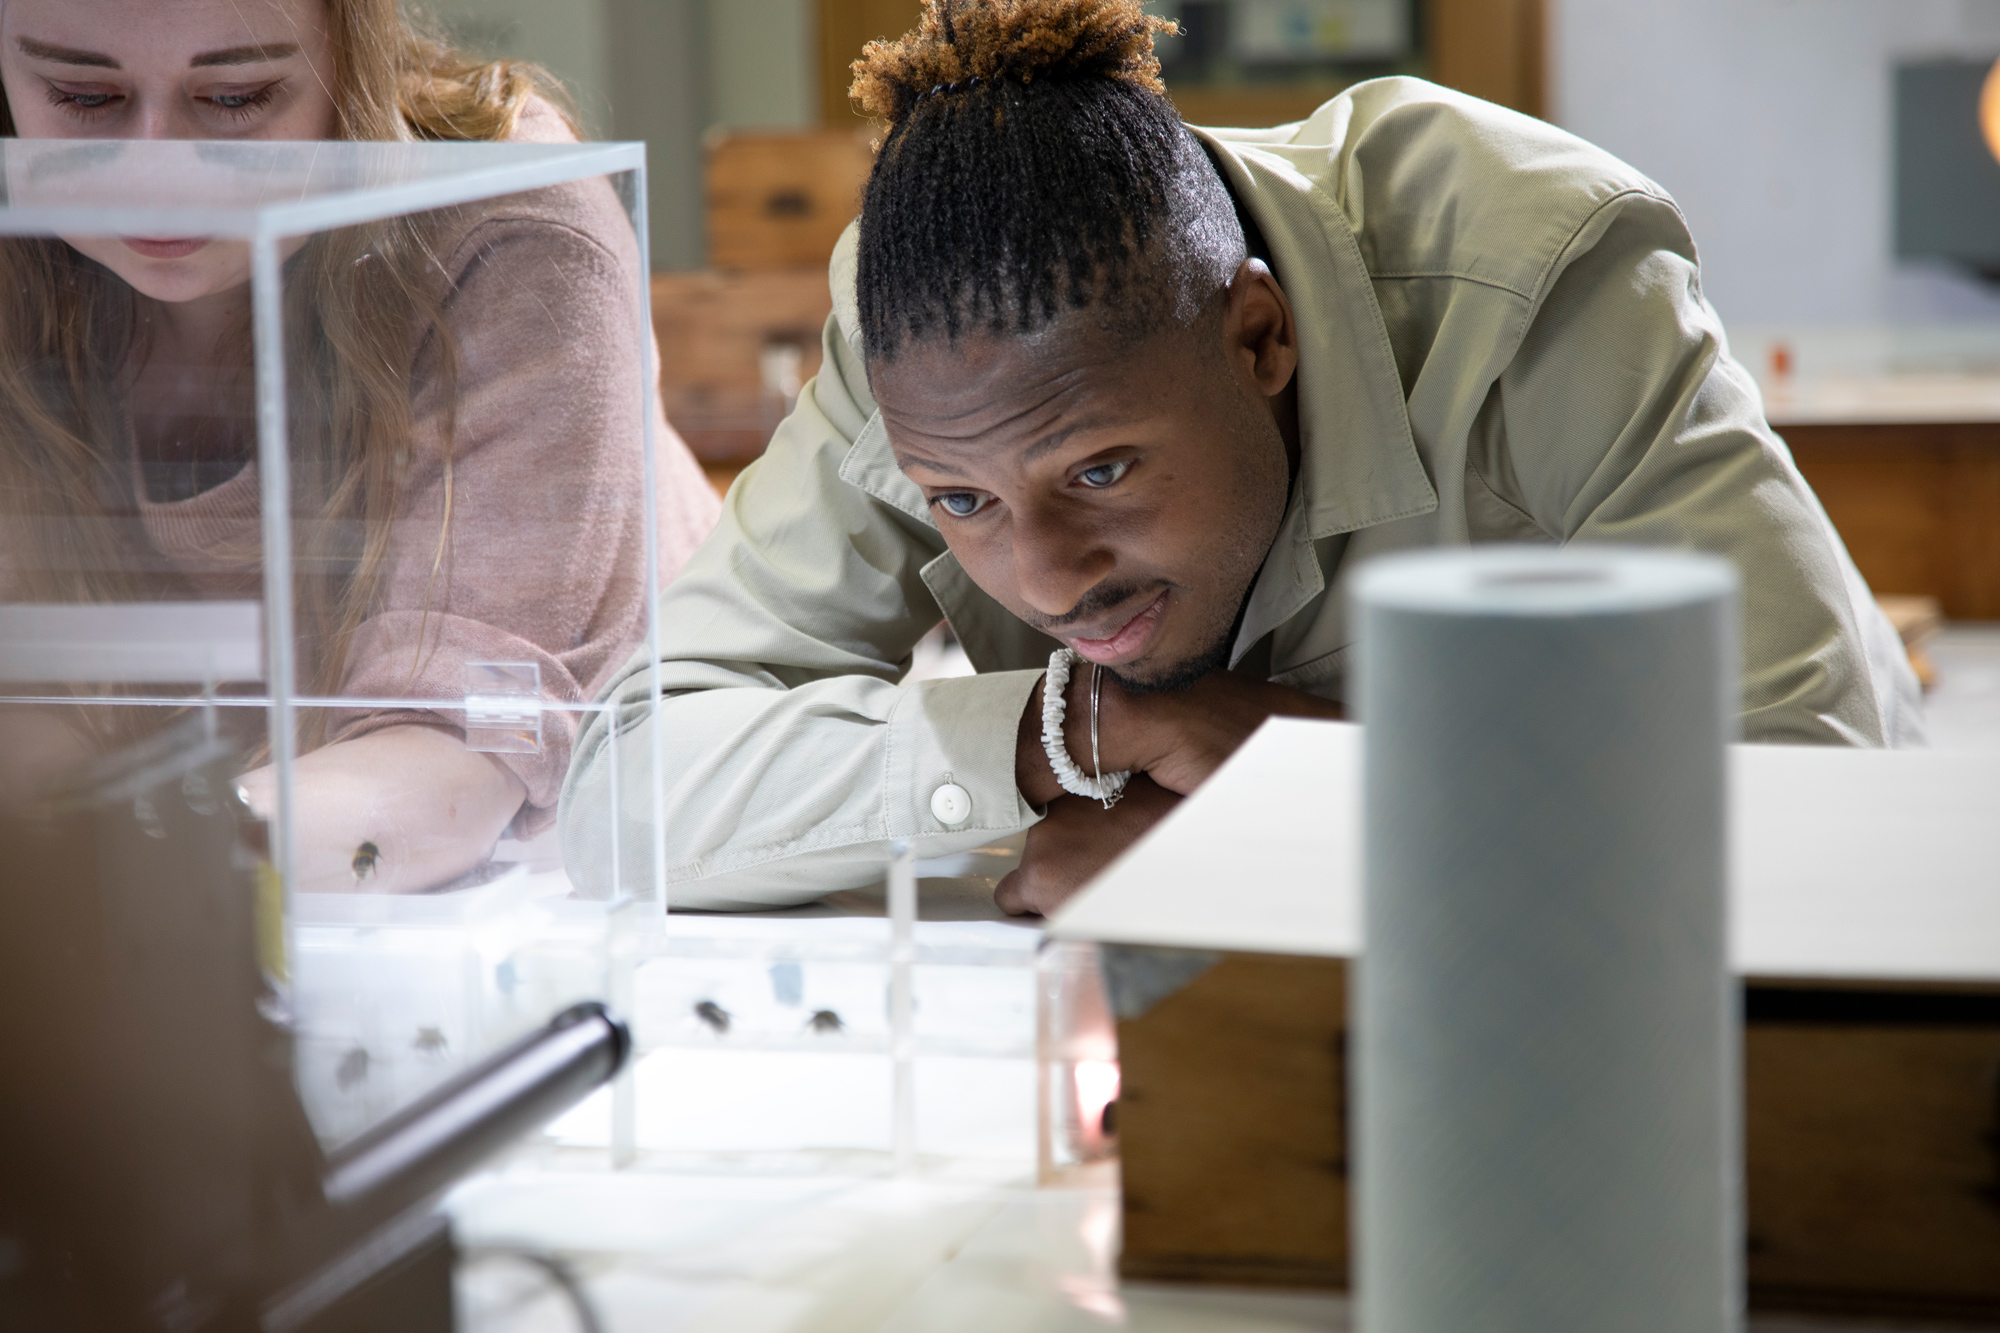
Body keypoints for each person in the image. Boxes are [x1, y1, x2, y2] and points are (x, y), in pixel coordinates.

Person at [563, 0, 1921, 915]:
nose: (1044, 579)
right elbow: (625, 786)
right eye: (962, 503)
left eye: (1101, 470)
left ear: (1260, 335)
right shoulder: (928, 341)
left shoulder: (1538, 281)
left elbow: (1819, 813)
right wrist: (1072, 731)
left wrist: (1314, 817)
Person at [0, 0, 720, 892]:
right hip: (220, 874)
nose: (158, 171)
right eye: (81, 95)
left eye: (236, 97)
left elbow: (451, 767)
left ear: (353, 51)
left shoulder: (516, 224)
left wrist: (102, 858)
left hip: (593, 866)